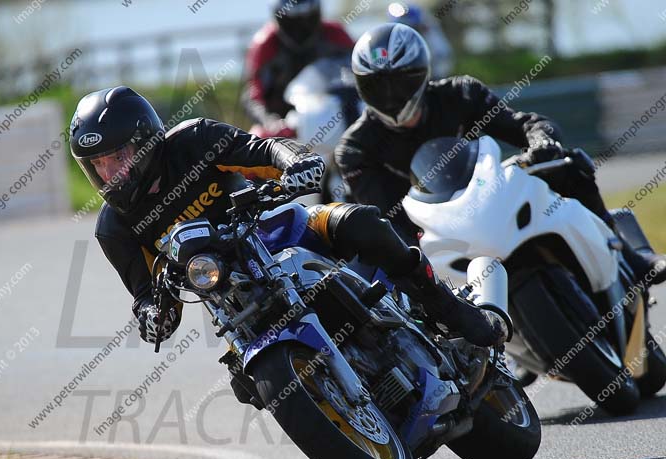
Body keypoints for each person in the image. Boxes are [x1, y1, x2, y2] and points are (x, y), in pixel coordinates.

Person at [69, 86, 506, 348]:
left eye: (117, 157)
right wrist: (151, 315)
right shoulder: (114, 226)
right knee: (248, 386)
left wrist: (297, 161)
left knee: (361, 222)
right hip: (232, 295)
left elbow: (264, 151)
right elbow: (146, 295)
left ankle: (445, 306)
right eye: (98, 165)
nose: (109, 173)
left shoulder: (195, 140)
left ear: (145, 142)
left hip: (280, 230)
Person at [335, 23, 666, 285]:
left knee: (570, 163)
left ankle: (627, 256)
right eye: (378, 85)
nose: (391, 96)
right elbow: (386, 216)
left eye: (400, 82)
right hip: (431, 232)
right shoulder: (355, 148)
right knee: (393, 271)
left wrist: (541, 142)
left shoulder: (460, 93)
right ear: (361, 87)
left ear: (422, 74)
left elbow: (524, 124)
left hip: (487, 195)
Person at [243, 0, 355, 138]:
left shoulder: (336, 35)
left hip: (336, 117)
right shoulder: (264, 45)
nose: (301, 27)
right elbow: (253, 97)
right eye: (293, 20)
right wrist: (272, 123)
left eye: (307, 18)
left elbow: (360, 72)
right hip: (287, 126)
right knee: (257, 139)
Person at [387, 2, 453, 79]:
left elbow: (443, 55)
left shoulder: (430, 35)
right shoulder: (393, 42)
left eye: (414, 28)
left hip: (431, 77)